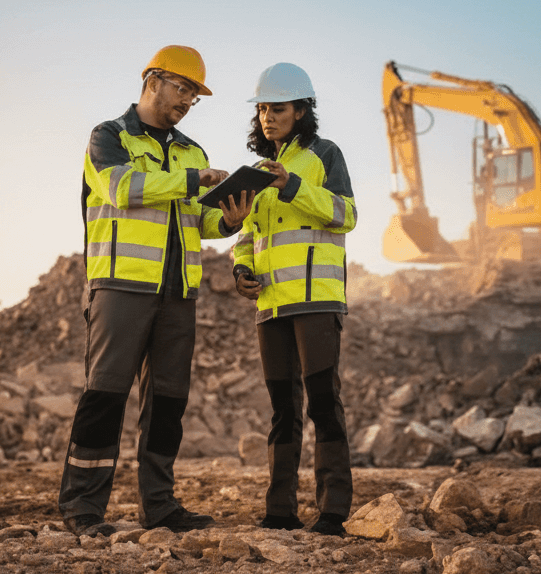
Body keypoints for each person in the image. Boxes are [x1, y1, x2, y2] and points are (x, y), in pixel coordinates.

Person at [60, 45, 252, 537]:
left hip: (178, 293)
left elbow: (200, 218)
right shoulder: (109, 136)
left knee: (167, 403)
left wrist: (227, 221)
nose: (188, 101)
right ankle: (83, 509)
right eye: (183, 89)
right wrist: (192, 180)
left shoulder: (193, 150)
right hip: (120, 286)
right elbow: (122, 188)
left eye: (194, 95)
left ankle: (160, 506)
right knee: (105, 395)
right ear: (153, 81)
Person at [231, 63, 357, 536]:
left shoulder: (324, 155)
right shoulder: (258, 171)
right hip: (271, 306)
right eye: (262, 109)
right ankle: (280, 511)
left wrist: (294, 187)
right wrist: (241, 267)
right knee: (282, 409)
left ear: (301, 110)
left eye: (277, 108)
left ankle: (332, 512)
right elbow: (248, 234)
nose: (267, 116)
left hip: (317, 302)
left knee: (323, 403)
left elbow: (346, 214)